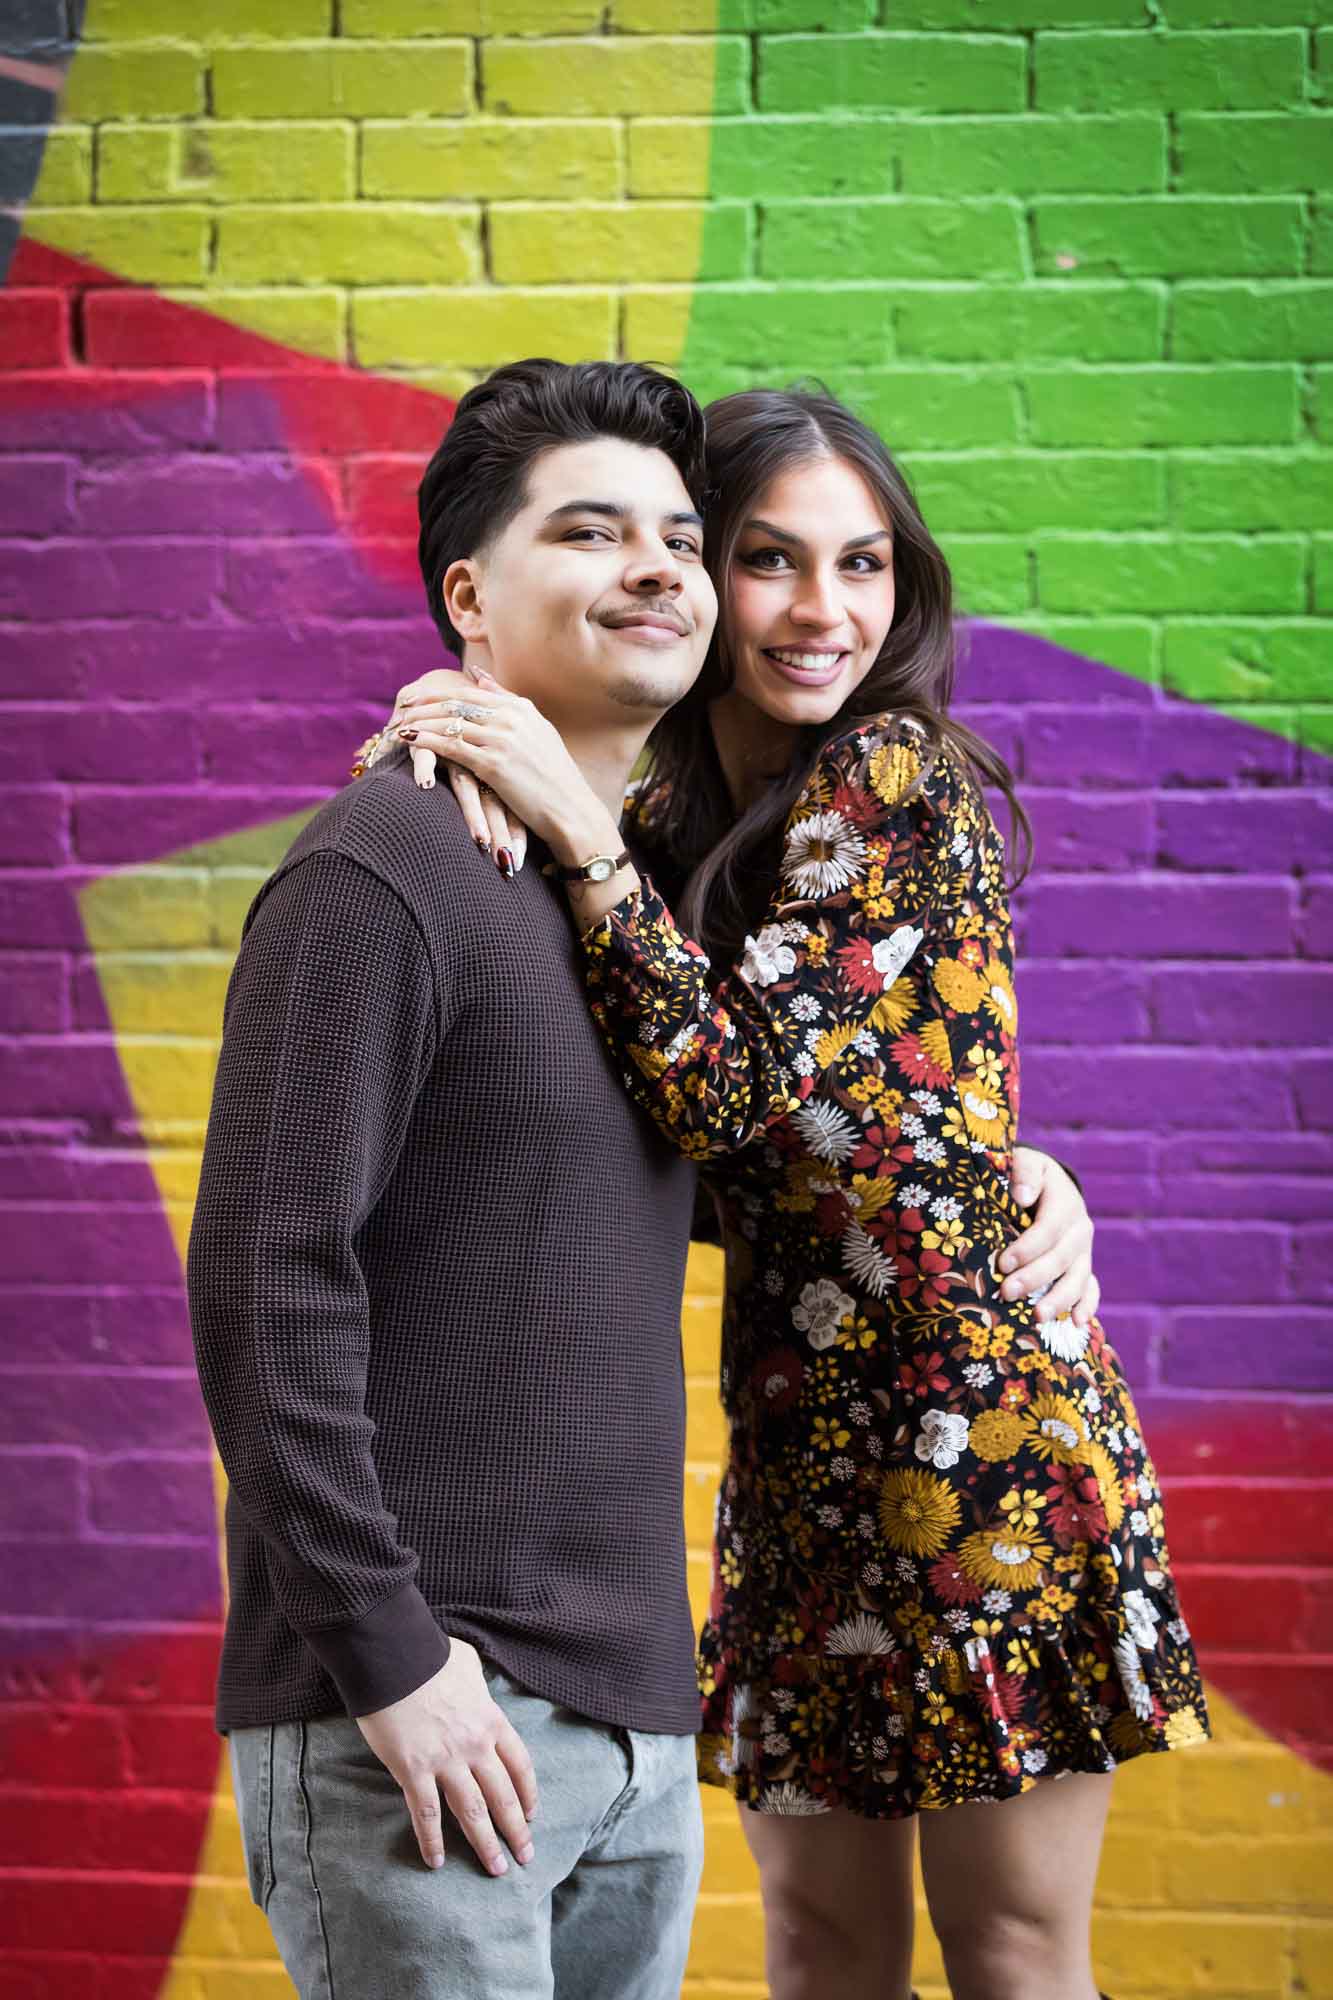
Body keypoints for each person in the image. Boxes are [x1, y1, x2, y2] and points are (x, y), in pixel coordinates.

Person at [380, 385, 1208, 2000]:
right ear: (701, 572)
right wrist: (454, 713)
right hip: (802, 1456)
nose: (822, 613)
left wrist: (581, 847)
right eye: (767, 559)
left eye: (865, 565)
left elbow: (740, 1097)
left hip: (982, 1453)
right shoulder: (671, 812)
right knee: (820, 1947)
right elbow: (693, 1158)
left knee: (1015, 1952)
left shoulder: (888, 781)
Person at [188, 360, 725, 2000]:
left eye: (682, 536)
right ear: (468, 604)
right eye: (590, 528)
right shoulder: (390, 867)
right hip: (427, 1714)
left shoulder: (635, 917)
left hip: (632, 1725)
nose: (656, 565)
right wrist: (392, 1662)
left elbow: (753, 1188)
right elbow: (267, 1274)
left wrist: (1024, 1179)